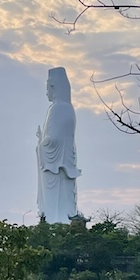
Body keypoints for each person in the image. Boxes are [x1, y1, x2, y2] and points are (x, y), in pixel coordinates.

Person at [36, 67, 81, 223]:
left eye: (47, 88)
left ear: (54, 87)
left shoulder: (57, 108)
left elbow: (53, 140)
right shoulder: (68, 108)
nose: (46, 92)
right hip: (65, 166)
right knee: (65, 205)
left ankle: (54, 226)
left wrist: (41, 142)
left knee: (53, 211)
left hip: (54, 167)